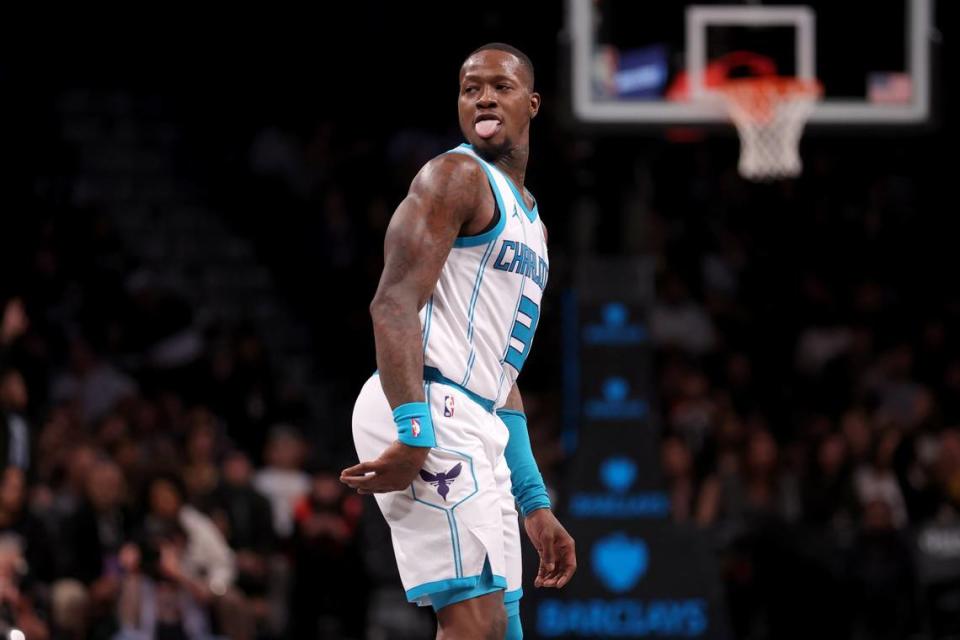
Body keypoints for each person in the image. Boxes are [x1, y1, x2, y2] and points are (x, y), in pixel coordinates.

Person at [342, 42, 576, 639]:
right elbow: (391, 302)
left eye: (500, 86)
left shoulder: (534, 223)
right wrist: (413, 429)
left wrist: (535, 503)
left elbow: (503, 381)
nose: (484, 98)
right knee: (473, 623)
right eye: (471, 88)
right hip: (427, 402)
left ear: (533, 103)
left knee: (502, 627)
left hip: (479, 416)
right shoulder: (454, 176)